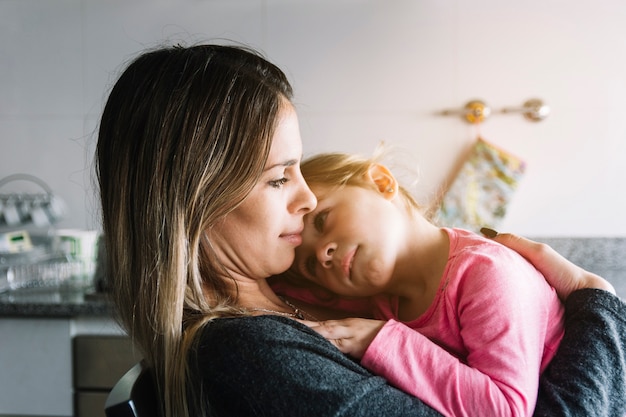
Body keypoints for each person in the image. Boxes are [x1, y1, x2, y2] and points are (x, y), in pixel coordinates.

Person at [95, 43, 626, 417]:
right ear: (195, 202)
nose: (305, 202)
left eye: (299, 171)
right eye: (279, 179)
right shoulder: (252, 355)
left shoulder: (296, 297)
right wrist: (597, 305)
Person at [278, 151, 564, 416]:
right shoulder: (380, 299)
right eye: (311, 266)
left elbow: (506, 410)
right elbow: (259, 282)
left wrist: (380, 342)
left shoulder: (487, 273)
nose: (322, 253)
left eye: (322, 219)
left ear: (380, 183)